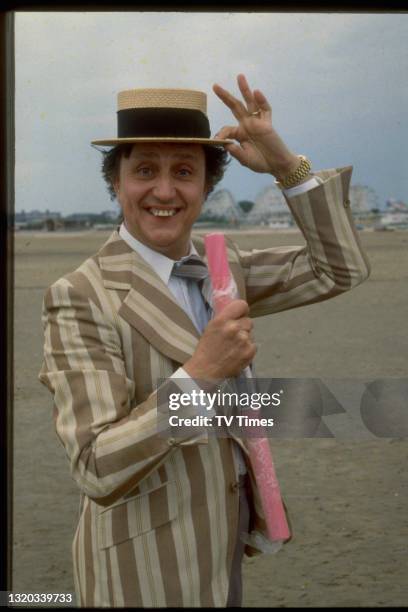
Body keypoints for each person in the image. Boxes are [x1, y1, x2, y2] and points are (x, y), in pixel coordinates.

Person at [39, 74, 370, 607]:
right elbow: (96, 466)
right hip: (139, 573)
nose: (165, 191)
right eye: (145, 169)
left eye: (185, 172)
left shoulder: (221, 265)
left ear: (207, 187)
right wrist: (201, 374)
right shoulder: (80, 294)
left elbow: (338, 269)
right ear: (116, 182)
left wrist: (289, 168)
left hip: (222, 550)